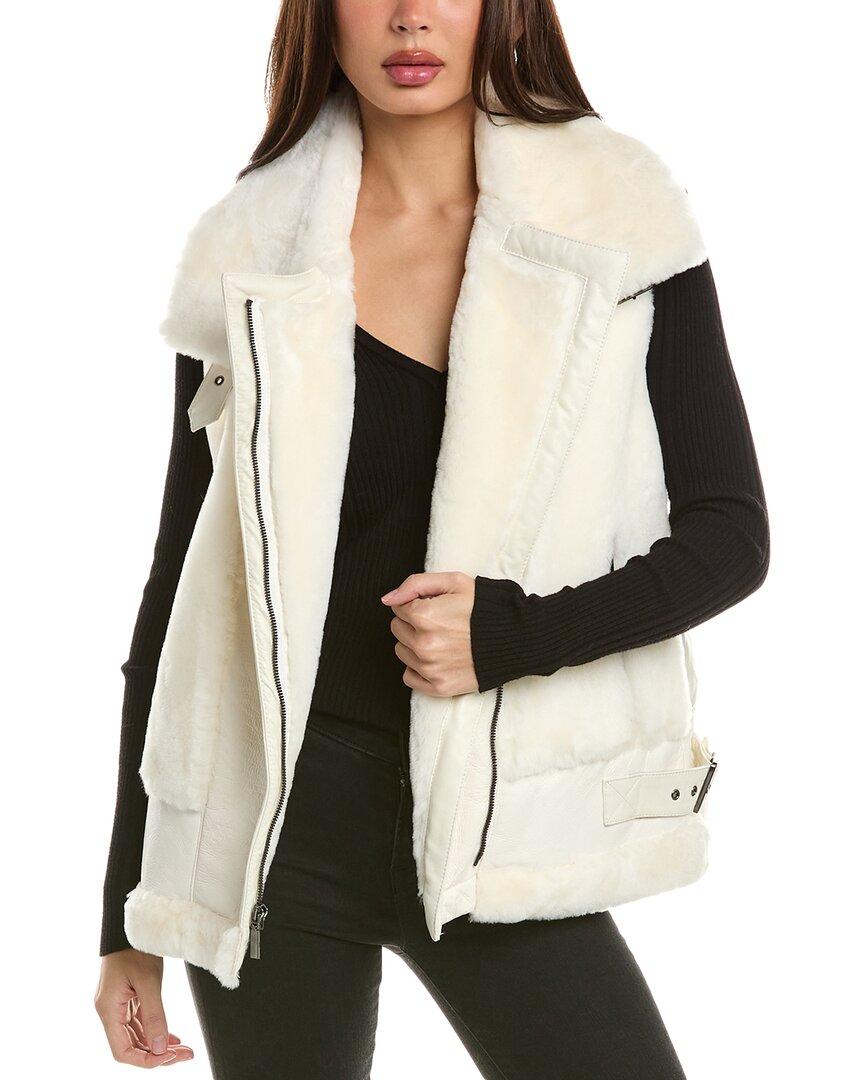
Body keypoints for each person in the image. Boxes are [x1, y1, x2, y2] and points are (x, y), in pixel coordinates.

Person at [94, 1, 770, 1076]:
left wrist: (510, 636)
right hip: (275, 840)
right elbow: (178, 594)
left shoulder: (616, 224)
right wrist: (126, 921)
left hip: (498, 822)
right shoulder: (250, 252)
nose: (410, 17)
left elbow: (732, 536)